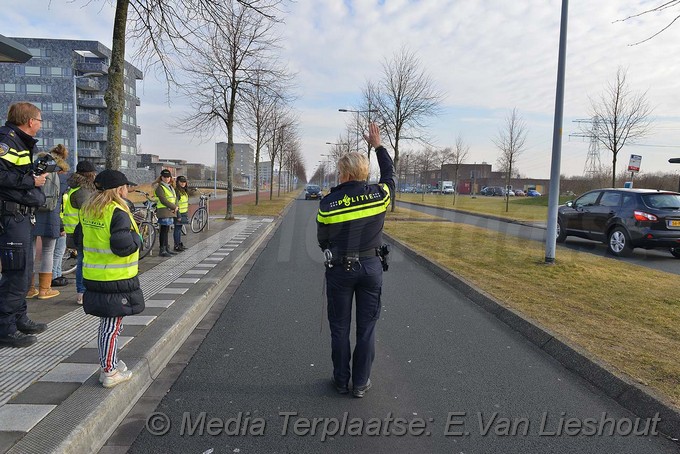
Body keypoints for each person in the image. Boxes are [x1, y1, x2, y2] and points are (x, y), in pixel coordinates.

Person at [317, 122, 395, 398]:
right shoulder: (379, 195)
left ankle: (341, 380)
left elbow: (322, 239)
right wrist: (379, 146)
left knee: (339, 327)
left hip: (340, 268)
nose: (338, 175)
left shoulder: (328, 203)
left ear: (346, 173)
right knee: (367, 327)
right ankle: (360, 383)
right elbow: (390, 175)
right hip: (372, 268)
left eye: (340, 171)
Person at [74, 169, 144, 388]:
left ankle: (111, 363)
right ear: (119, 189)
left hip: (94, 275)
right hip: (116, 276)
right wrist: (137, 237)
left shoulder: (89, 209)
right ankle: (109, 372)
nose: (127, 191)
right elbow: (122, 246)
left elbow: (78, 239)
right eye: (125, 187)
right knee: (111, 327)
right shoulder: (118, 211)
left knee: (109, 324)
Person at [0, 102, 49, 348]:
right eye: (39, 121)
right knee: (15, 272)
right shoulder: (5, 140)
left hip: (20, 216)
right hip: (10, 216)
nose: (40, 125)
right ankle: (5, 328)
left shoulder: (19, 143)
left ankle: (19, 319)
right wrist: (30, 179)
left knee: (24, 270)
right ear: (30, 121)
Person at [27, 145, 70, 299]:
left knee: (29, 251)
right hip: (51, 214)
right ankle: (45, 289)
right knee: (48, 251)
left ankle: (30, 289)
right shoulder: (62, 175)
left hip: (31, 211)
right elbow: (61, 200)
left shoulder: (34, 166)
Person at [63, 160, 98, 304]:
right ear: (90, 174)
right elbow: (89, 211)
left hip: (76, 230)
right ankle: (82, 292)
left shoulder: (78, 188)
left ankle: (84, 291)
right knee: (83, 262)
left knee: (83, 261)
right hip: (81, 231)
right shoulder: (83, 191)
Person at [50, 144, 71, 288]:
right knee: (57, 253)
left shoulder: (49, 177)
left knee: (52, 252)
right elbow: (61, 206)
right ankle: (55, 276)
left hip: (52, 220)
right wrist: (63, 226)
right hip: (59, 222)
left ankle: (56, 275)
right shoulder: (62, 182)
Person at [153, 169, 177, 257]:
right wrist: (174, 207)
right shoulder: (160, 187)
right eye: (164, 177)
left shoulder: (170, 187)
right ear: (161, 177)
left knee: (166, 230)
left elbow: (174, 198)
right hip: (164, 210)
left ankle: (166, 248)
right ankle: (162, 249)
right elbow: (163, 200)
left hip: (170, 210)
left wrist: (176, 206)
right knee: (163, 230)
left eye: (168, 177)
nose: (166, 179)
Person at [173, 175, 190, 252]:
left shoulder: (184, 191)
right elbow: (176, 203)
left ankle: (179, 243)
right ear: (178, 182)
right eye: (181, 182)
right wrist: (178, 214)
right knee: (177, 229)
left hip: (183, 213)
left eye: (184, 182)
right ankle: (176, 245)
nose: (183, 183)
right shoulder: (177, 191)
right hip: (178, 213)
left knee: (179, 229)